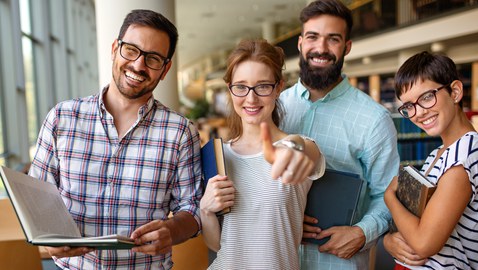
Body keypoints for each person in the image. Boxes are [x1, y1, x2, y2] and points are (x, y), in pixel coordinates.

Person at [28, 9, 203, 269]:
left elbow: (193, 208)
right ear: (114, 49)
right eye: (131, 50)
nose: (138, 65)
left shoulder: (180, 132)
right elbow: (35, 196)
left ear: (165, 69)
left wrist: (173, 230)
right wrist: (46, 236)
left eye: (153, 58)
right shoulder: (61, 118)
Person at [279, 0, 400, 269]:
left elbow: (389, 194)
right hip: (277, 258)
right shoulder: (275, 108)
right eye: (313, 37)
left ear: (346, 47)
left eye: (332, 39)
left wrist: (362, 232)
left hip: (336, 263)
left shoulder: (374, 119)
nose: (320, 49)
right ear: (300, 43)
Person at [200, 39, 325, 269]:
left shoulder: (301, 148)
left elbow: (305, 151)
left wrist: (293, 145)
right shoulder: (218, 156)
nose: (251, 98)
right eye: (241, 86)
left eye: (263, 86)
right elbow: (217, 245)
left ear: (278, 88)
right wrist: (206, 210)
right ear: (230, 89)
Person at [383, 51, 478, 270]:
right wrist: (390, 242)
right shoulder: (438, 154)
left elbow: (424, 243)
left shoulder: (465, 154)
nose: (417, 113)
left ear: (454, 92)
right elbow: (416, 225)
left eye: (427, 97)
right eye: (408, 106)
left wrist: (389, 197)